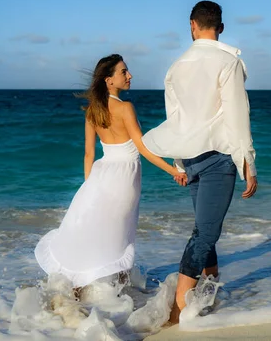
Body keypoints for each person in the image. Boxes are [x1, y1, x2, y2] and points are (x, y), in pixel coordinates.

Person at [141, 0, 258, 322]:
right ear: (219, 27)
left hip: (190, 159)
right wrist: (248, 162)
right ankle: (180, 308)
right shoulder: (228, 61)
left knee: (204, 228)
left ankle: (211, 287)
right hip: (219, 158)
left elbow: (175, 119)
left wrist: (179, 164)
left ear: (192, 25)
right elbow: (238, 113)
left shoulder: (176, 65)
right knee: (206, 233)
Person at [34, 54, 186, 295]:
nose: (130, 75)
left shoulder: (92, 111)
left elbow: (88, 154)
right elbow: (142, 147)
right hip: (124, 177)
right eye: (124, 72)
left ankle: (78, 291)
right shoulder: (126, 108)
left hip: (101, 176)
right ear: (109, 80)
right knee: (122, 235)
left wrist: (89, 188)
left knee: (96, 230)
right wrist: (173, 170)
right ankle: (123, 294)